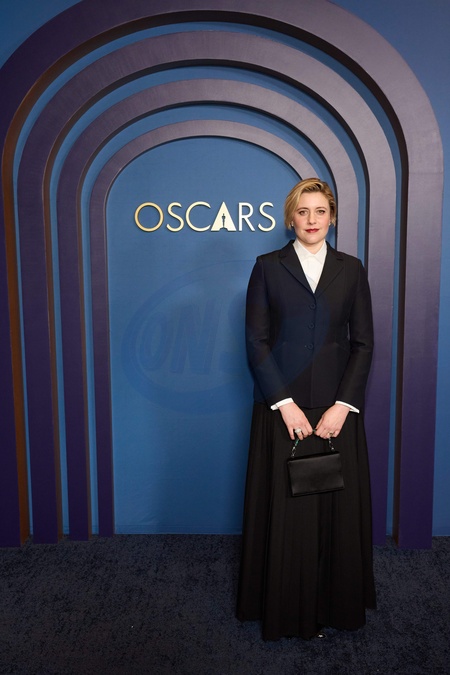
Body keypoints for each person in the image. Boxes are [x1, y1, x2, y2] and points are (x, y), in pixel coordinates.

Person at [236, 177, 376, 641]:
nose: (311, 220)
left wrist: (344, 406)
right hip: (283, 410)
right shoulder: (267, 267)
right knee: (286, 514)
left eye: (320, 211)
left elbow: (363, 343)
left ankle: (334, 605)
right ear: (290, 218)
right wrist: (284, 404)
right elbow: (256, 342)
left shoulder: (352, 269)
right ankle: (283, 608)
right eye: (303, 211)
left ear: (331, 218)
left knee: (336, 514)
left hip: (337, 411)